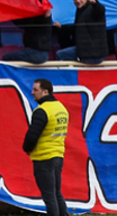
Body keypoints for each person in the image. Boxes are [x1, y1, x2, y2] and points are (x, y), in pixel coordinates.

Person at [22, 79, 69, 216]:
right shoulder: (61, 108)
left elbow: (32, 136)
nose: (32, 92)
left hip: (43, 157)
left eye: (36, 90)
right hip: (58, 155)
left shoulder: (42, 111)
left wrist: (27, 148)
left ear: (46, 91)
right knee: (57, 193)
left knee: (49, 197)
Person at [55, 0, 108, 64]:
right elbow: (76, 28)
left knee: (60, 55)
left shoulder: (92, 9)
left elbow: (100, 10)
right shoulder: (81, 10)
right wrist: (61, 27)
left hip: (92, 54)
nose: (78, 1)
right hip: (87, 51)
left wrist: (95, 3)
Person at [4, 0, 53, 64]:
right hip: (36, 51)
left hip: (37, 52)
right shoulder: (36, 13)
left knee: (6, 58)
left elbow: (24, 23)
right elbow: (23, 23)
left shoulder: (44, 12)